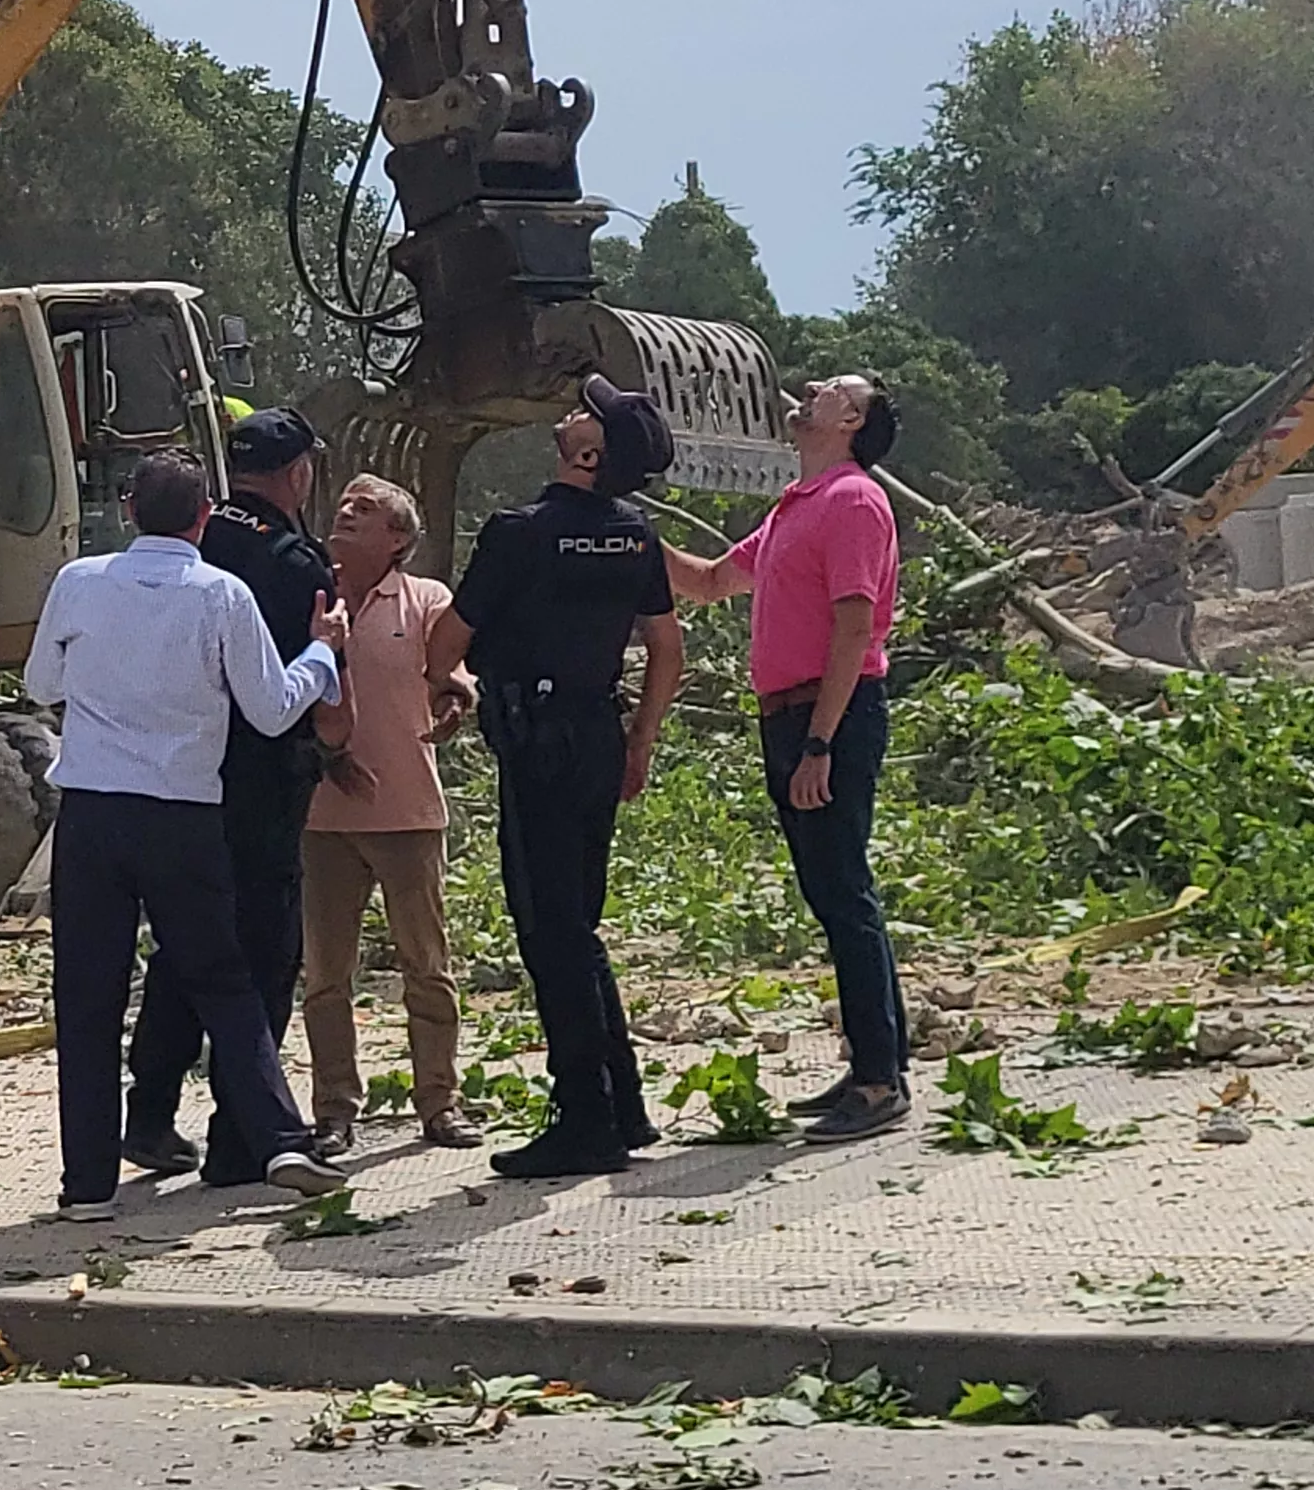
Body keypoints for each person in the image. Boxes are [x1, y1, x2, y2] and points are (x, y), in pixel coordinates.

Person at [23, 451, 352, 1219]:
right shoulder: (221, 594)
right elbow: (272, 709)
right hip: (183, 812)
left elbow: (40, 686)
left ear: (129, 508)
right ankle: (278, 1138)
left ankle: (88, 1186)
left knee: (89, 995)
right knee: (224, 982)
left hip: (95, 810)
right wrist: (323, 651)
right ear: (205, 518)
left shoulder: (79, 582)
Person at [427, 378, 683, 1179]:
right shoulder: (635, 536)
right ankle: (623, 1104)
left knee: (549, 931)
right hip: (599, 734)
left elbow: (445, 647)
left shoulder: (519, 533)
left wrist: (453, 674)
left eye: (589, 415)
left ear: (588, 452)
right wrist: (639, 740)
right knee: (581, 924)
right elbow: (668, 652)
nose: (575, 412)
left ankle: (585, 1119)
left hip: (537, 743)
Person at [660, 372, 913, 1141]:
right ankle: (877, 1063)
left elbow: (852, 628)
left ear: (852, 420)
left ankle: (878, 1083)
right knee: (834, 894)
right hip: (789, 715)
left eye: (830, 389)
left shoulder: (853, 501)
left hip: (826, 714)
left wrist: (820, 744)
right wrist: (629, 527)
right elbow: (707, 584)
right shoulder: (793, 510)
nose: (807, 389)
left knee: (844, 892)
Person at [122, 405, 341, 1187]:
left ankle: (147, 1115)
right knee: (262, 957)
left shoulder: (191, 539)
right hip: (263, 783)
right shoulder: (295, 563)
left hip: (182, 779)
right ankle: (239, 1140)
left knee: (184, 947)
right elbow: (312, 700)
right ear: (300, 474)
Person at [301, 475, 482, 1157]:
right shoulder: (310, 593)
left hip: (408, 813)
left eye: (366, 511)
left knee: (426, 967)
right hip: (323, 819)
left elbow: (452, 670)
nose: (346, 514)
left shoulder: (426, 598)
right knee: (325, 975)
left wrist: (456, 701)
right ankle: (335, 1112)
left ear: (398, 540)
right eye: (344, 505)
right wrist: (326, 757)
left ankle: (439, 1102)